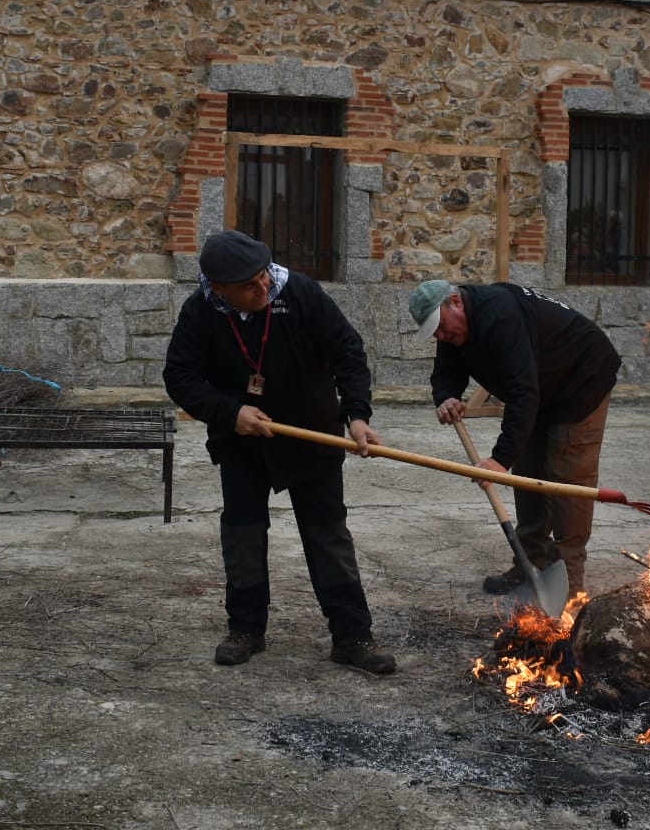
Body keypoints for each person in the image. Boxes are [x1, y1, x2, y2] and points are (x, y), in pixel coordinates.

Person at [163, 230, 396, 674]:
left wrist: (358, 415)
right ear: (218, 288)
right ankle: (246, 628)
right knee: (244, 533)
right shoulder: (201, 311)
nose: (263, 288)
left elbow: (348, 352)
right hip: (243, 441)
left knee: (328, 535)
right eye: (250, 286)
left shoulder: (301, 294)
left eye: (263, 277)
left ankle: (352, 637)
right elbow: (180, 377)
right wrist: (231, 413)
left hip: (312, 435)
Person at [409, 280, 621, 597]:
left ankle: (570, 588)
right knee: (529, 473)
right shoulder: (454, 326)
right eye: (434, 332)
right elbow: (446, 369)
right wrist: (447, 396)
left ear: (455, 301)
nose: (440, 336)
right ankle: (529, 565)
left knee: (567, 479)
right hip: (540, 388)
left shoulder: (499, 315)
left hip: (581, 379)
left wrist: (499, 459)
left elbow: (523, 391)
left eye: (440, 327)